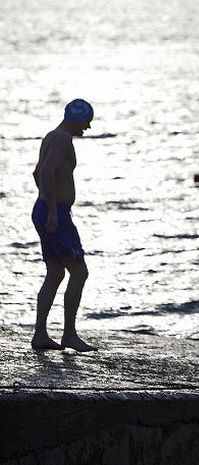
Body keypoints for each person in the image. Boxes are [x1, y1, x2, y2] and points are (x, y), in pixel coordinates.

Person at [30, 99, 97, 352]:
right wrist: (52, 210)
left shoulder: (51, 136)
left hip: (47, 209)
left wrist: (46, 202)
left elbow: (37, 172)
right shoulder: (62, 139)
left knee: (56, 273)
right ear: (76, 118)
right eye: (87, 121)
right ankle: (69, 335)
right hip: (54, 212)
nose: (88, 127)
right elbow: (46, 171)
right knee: (79, 272)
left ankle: (40, 335)